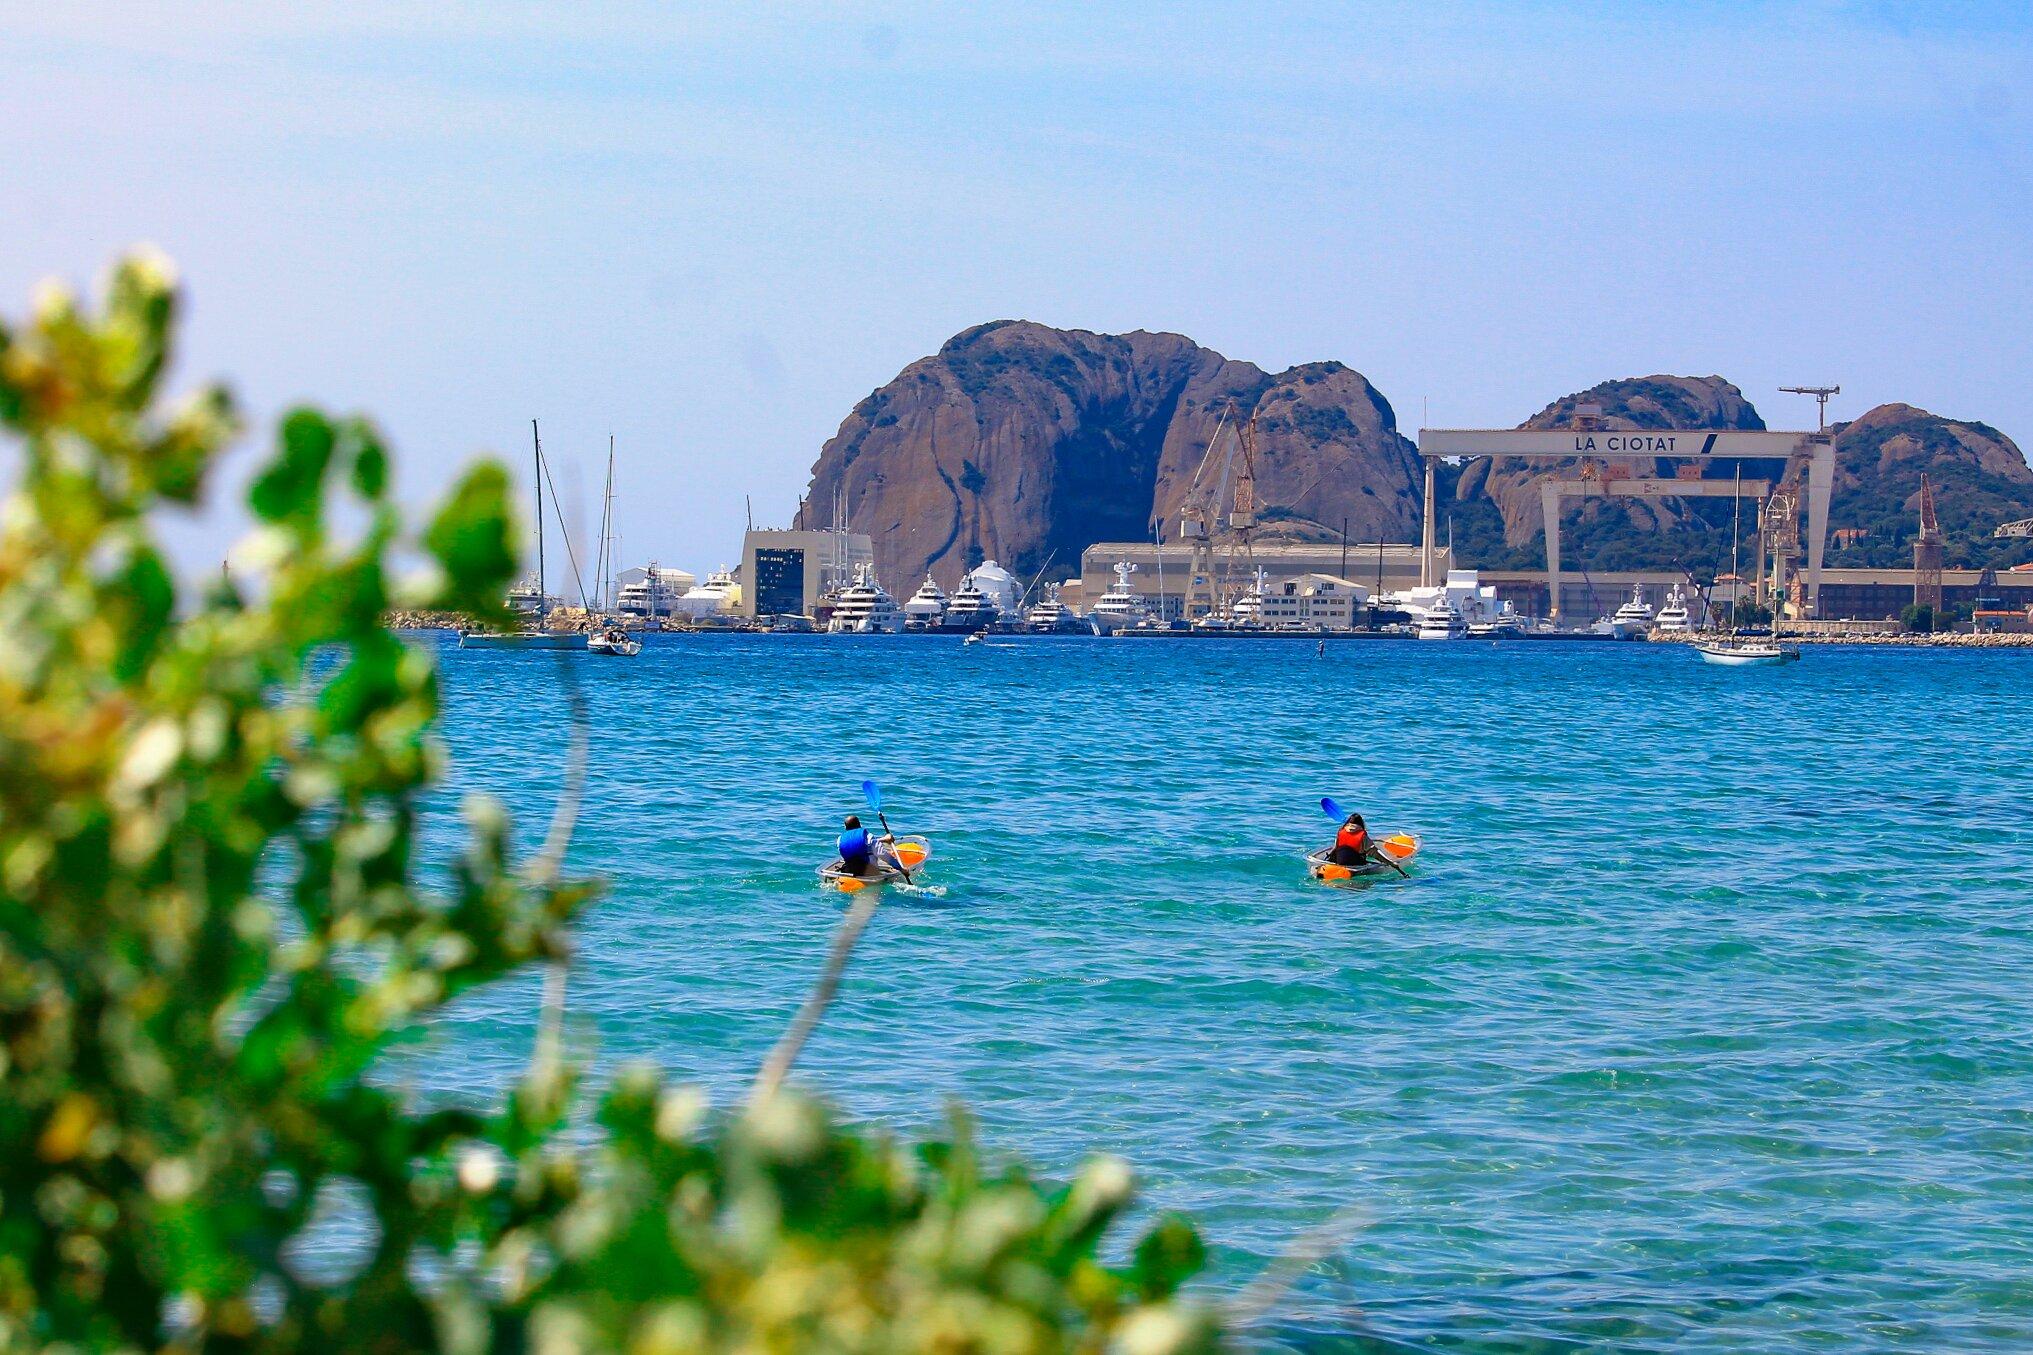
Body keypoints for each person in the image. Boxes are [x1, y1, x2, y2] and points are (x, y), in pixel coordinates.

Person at [836, 814, 895, 878]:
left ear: (845, 827)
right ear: (860, 825)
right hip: (869, 873)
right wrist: (899, 867)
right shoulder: (868, 836)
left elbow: (861, 844)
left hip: (849, 871)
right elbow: (882, 854)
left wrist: (883, 839)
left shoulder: (840, 840)